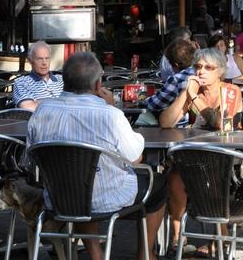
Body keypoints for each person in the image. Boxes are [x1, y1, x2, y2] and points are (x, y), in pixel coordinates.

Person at [27, 52, 164, 260]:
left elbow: (32, 155)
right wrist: (111, 108)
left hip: (59, 196)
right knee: (159, 184)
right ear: (98, 84)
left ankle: (95, 253)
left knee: (78, 181)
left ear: (63, 80)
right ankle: (146, 254)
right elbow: (135, 158)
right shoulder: (110, 115)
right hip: (105, 197)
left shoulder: (42, 110)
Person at [159, 47, 243, 253]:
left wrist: (194, 97)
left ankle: (220, 237)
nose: (201, 71)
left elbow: (221, 124)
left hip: (225, 155)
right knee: (174, 179)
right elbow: (165, 122)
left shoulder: (230, 92)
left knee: (212, 179)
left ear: (220, 71)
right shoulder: (193, 92)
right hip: (195, 155)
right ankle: (178, 238)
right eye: (197, 67)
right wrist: (185, 95)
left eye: (208, 67)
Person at [145, 38, 197, 115]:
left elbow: (153, 105)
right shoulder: (202, 72)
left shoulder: (176, 80)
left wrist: (145, 100)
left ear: (176, 64)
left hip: (182, 124)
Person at [12, 41, 64, 110]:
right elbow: (28, 108)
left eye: (47, 58)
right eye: (40, 59)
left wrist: (38, 102)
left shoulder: (62, 80)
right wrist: (62, 102)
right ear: (30, 61)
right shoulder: (22, 82)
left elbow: (75, 102)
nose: (44, 63)